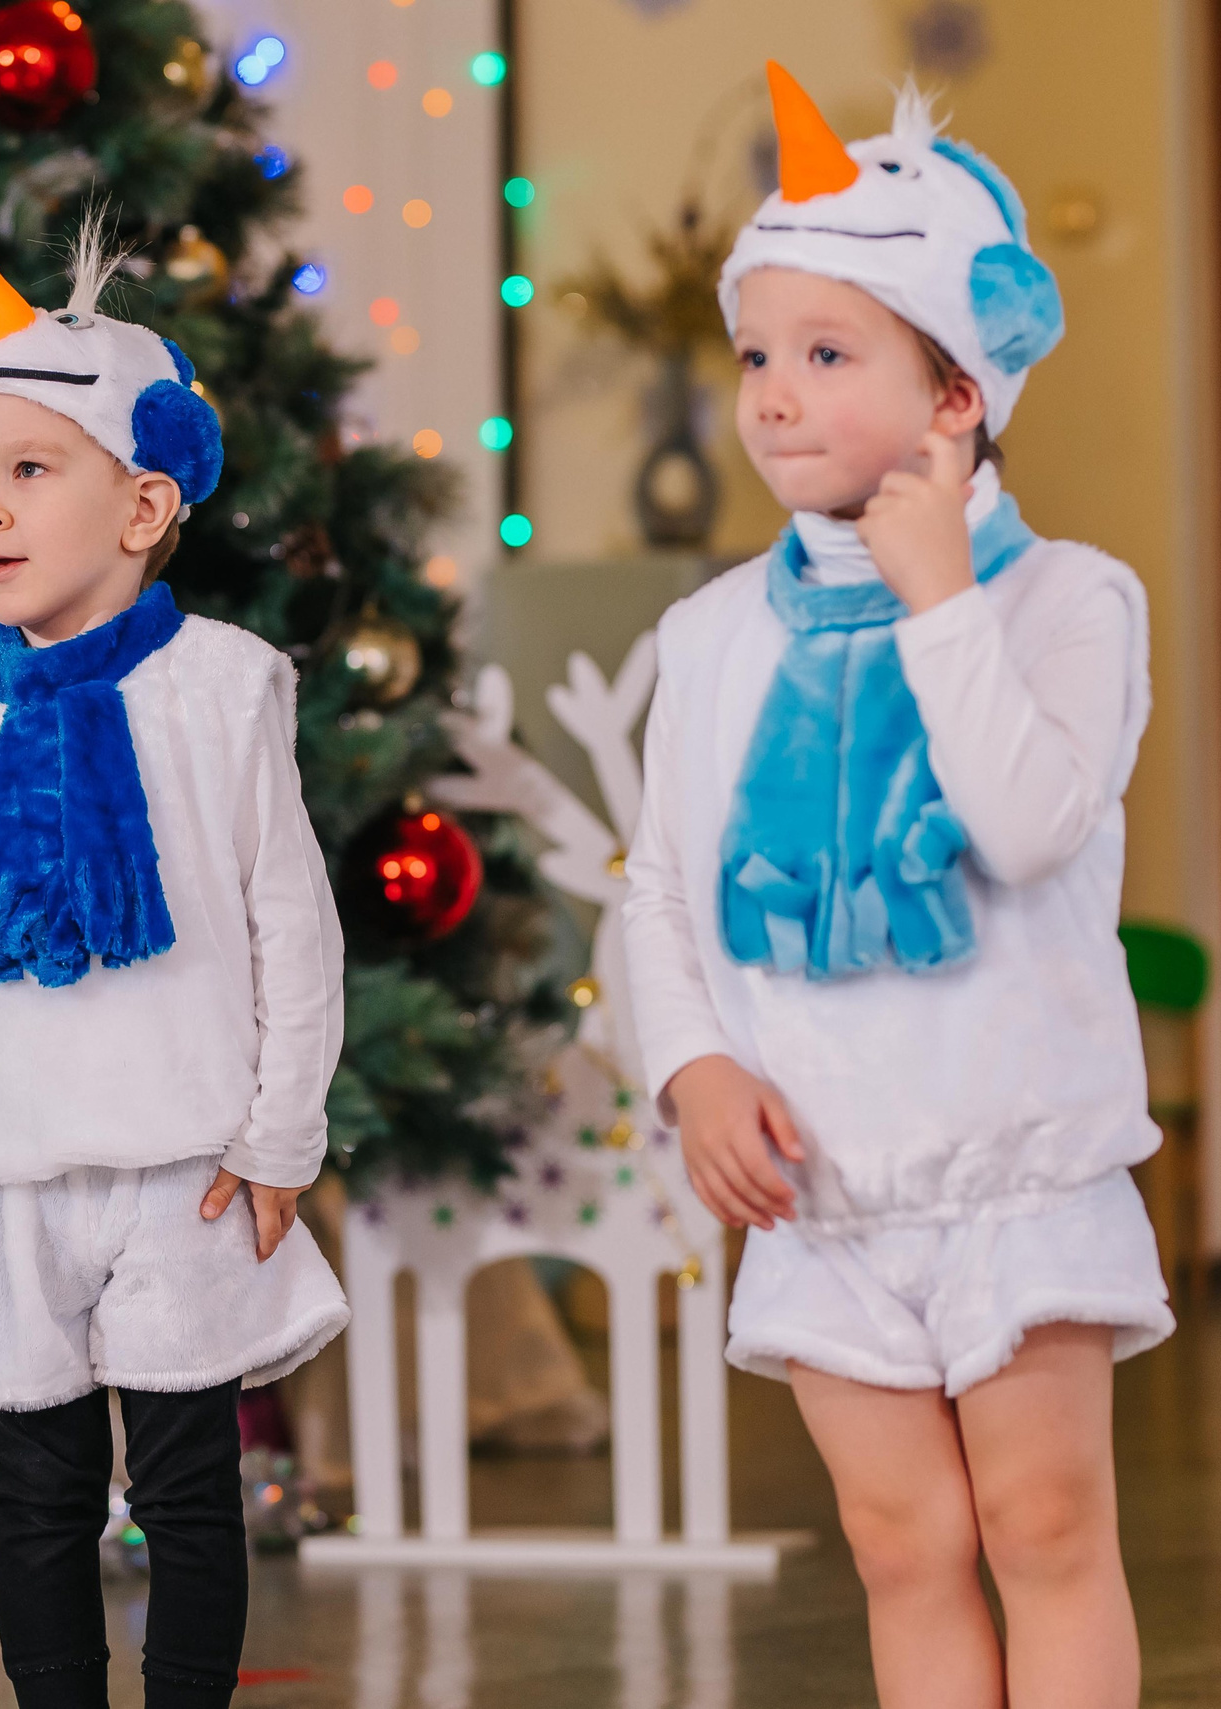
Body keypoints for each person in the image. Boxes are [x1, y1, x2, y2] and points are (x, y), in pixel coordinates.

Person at [623, 65, 1172, 1709]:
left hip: (1014, 1162)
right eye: (756, 355)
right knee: (899, 1541)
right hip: (826, 1184)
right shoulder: (719, 632)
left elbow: (1025, 825)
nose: (774, 396)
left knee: (1045, 1519)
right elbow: (661, 882)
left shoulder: (1074, 600)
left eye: (828, 353)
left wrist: (940, 599)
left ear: (958, 397)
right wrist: (692, 1063)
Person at [0, 213, 350, 1709]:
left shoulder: (224, 688)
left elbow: (292, 915)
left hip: (184, 1161)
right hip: (5, 1164)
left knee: (186, 1489)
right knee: (35, 1491)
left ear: (145, 501)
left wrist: (281, 1128)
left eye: (31, 471)